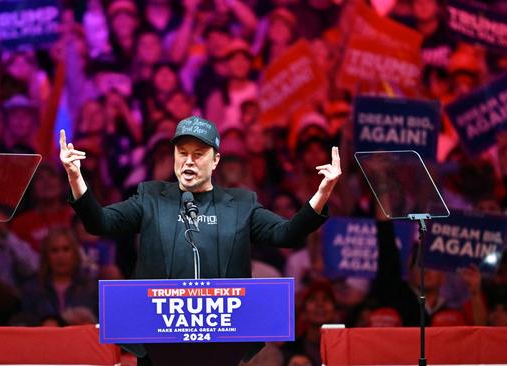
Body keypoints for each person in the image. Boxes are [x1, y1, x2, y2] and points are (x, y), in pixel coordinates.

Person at [59, 115, 340, 364]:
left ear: (215, 159)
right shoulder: (150, 198)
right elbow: (100, 223)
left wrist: (322, 193)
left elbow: (287, 234)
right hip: (159, 346)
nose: (189, 161)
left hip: (222, 346)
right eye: (182, 153)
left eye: (199, 153)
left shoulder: (241, 204)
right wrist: (76, 178)